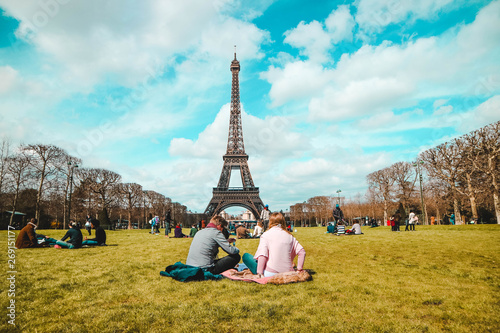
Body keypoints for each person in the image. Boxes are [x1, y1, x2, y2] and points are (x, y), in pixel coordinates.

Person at [242, 212, 305, 277]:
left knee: (246, 256)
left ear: (270, 222)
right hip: (288, 272)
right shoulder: (290, 236)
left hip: (270, 273)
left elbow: (262, 255)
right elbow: (302, 252)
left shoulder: (266, 235)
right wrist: (299, 269)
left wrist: (260, 273)